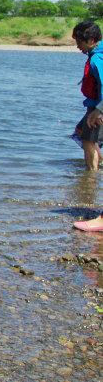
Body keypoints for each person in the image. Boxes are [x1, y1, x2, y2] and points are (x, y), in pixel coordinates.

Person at [71, 21, 103, 230]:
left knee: (88, 139)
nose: (78, 46)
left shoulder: (98, 58)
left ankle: (92, 173)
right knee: (81, 133)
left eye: (80, 42)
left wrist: (99, 110)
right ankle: (93, 169)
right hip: (94, 107)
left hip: (98, 108)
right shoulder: (96, 54)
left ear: (91, 40)